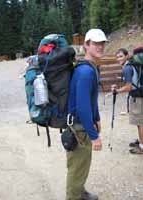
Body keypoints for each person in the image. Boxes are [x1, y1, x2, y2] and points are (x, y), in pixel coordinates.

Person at [66, 29, 107, 200]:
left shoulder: (91, 68)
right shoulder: (85, 72)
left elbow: (91, 99)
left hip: (82, 126)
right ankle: (74, 197)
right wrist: (94, 135)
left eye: (102, 43)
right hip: (79, 129)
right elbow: (83, 108)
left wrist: (96, 118)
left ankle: (80, 192)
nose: (100, 46)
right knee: (77, 168)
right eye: (95, 43)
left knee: (82, 165)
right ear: (86, 45)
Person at [111, 47, 143, 154]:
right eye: (117, 57)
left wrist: (117, 91)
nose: (118, 59)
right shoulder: (133, 65)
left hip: (137, 97)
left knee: (140, 122)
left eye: (120, 56)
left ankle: (141, 147)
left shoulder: (127, 68)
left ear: (126, 56)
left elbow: (129, 87)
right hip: (140, 95)